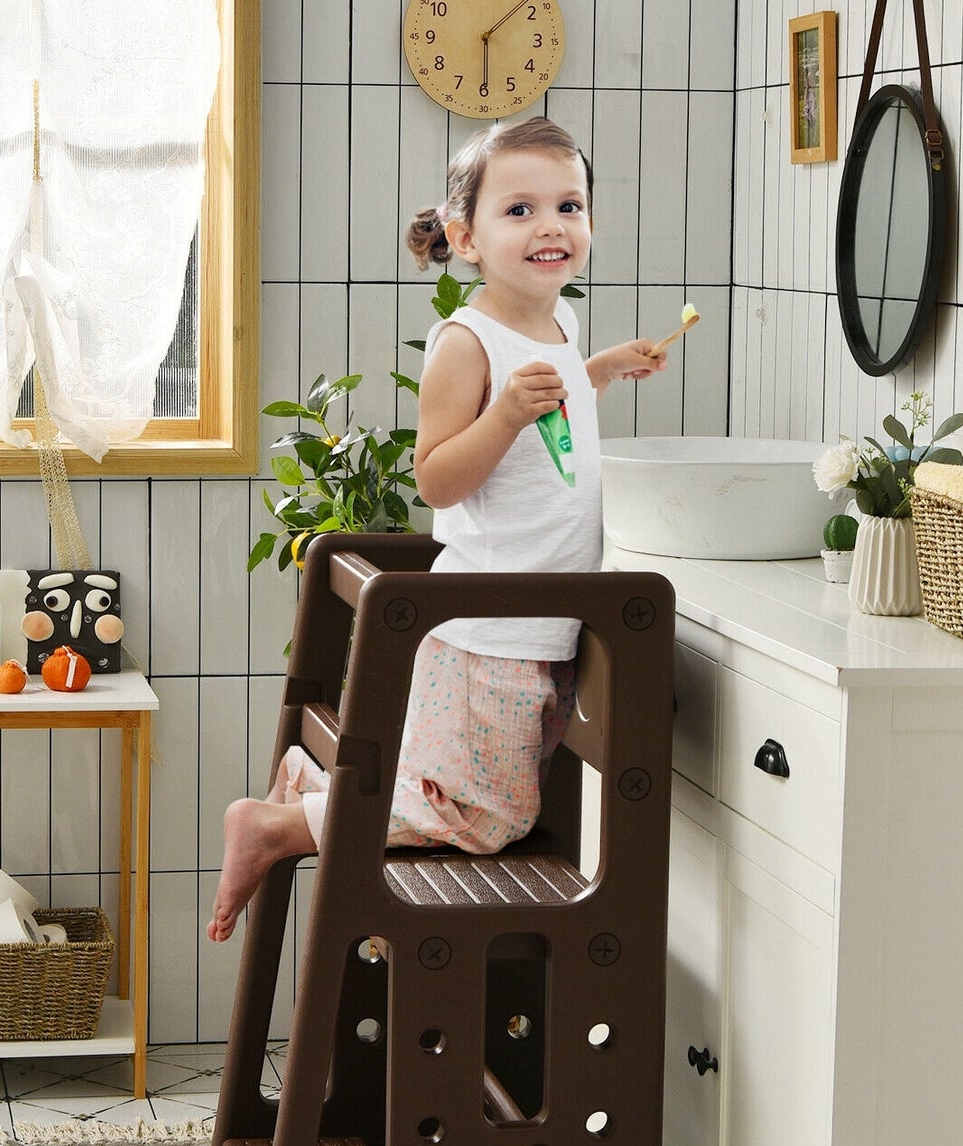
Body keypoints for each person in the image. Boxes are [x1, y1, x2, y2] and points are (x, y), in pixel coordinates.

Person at [207, 116, 665, 944]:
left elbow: (554, 428)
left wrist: (597, 371)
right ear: (465, 238)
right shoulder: (466, 341)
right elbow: (436, 477)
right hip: (484, 632)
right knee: (477, 818)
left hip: (536, 626)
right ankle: (277, 824)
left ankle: (306, 786)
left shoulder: (558, 325)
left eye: (568, 205)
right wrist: (504, 415)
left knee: (481, 808)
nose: (551, 225)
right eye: (519, 210)